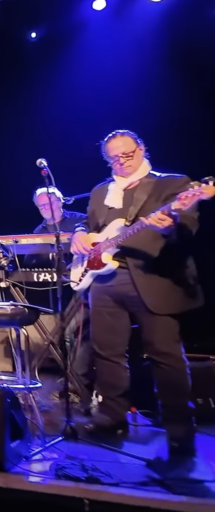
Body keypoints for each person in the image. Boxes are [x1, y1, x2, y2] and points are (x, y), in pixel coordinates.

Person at [70, 130, 202, 462]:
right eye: (113, 158)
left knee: (166, 357)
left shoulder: (172, 184)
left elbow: (186, 226)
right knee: (108, 353)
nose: (121, 162)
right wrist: (79, 234)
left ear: (142, 149)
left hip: (154, 277)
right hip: (105, 279)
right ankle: (111, 419)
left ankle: (180, 435)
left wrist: (167, 227)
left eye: (127, 155)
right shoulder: (102, 190)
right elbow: (89, 224)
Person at [29, 187, 93, 412]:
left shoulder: (79, 220)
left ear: (60, 202)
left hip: (87, 286)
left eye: (50, 203)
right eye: (42, 206)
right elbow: (29, 259)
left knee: (75, 333)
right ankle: (72, 381)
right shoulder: (39, 231)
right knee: (65, 336)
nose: (46, 209)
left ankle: (78, 386)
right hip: (63, 292)